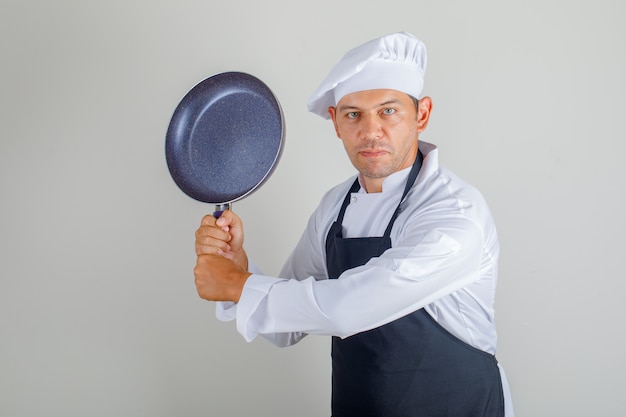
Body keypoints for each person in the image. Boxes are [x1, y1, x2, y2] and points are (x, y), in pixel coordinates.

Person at [194, 32, 514, 417]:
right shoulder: (334, 207)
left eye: (389, 111)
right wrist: (240, 266)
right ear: (335, 123)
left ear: (422, 115)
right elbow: (284, 326)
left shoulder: (455, 213)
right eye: (353, 114)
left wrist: (233, 283)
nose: (370, 131)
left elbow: (347, 308)